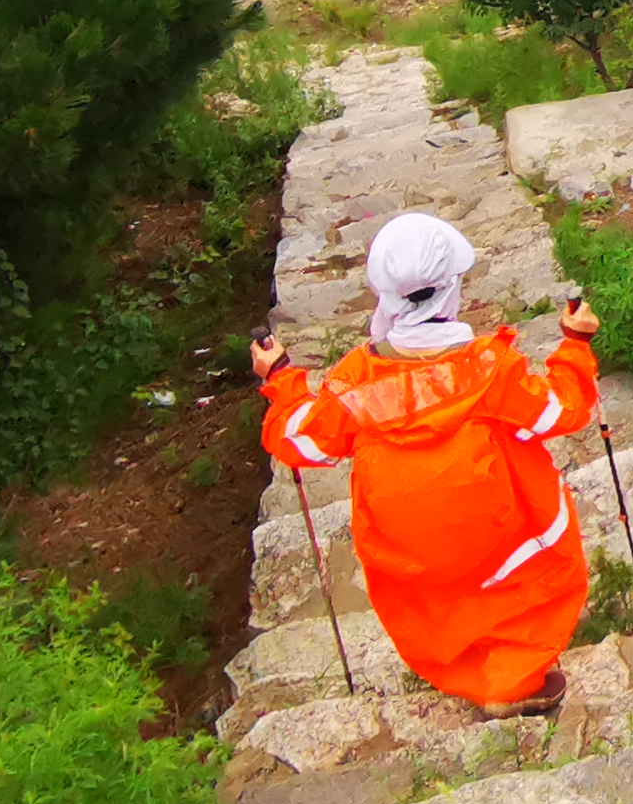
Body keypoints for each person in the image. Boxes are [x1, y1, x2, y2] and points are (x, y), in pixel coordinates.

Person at [253, 212, 602, 712]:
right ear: (450, 288)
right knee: (530, 548)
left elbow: (300, 443)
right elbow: (564, 410)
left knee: (435, 584)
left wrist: (281, 377)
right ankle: (512, 679)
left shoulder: (356, 382)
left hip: (409, 549)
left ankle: (461, 672)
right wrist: (575, 344)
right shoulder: (490, 368)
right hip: (491, 532)